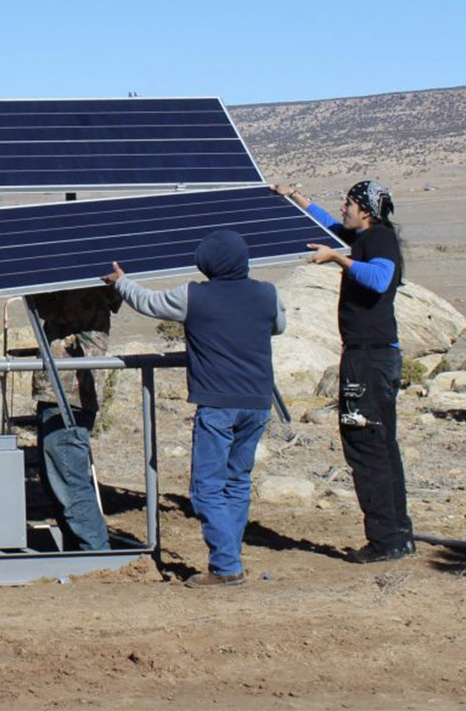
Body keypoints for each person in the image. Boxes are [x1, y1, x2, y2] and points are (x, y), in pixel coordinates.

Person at [103, 230, 286, 588]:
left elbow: (150, 303)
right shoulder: (267, 293)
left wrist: (122, 283)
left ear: (208, 263)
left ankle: (226, 566)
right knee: (237, 482)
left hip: (218, 404)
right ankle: (229, 558)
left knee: (206, 489)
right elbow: (278, 326)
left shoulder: (195, 296)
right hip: (258, 403)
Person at [272, 180, 414, 563]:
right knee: (383, 446)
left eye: (349, 202)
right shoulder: (366, 237)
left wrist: (337, 260)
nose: (344, 207)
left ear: (365, 209)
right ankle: (398, 534)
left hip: (368, 359)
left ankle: (385, 541)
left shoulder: (379, 240)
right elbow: (330, 229)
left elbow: (380, 278)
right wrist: (296, 198)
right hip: (374, 356)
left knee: (365, 446)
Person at [29, 285, 122, 551]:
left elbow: (49, 308)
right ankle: (78, 545)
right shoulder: (97, 284)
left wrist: (29, 284)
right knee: (56, 474)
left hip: (67, 391)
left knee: (68, 475)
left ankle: (94, 550)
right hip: (68, 391)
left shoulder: (82, 287)